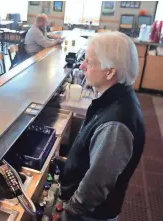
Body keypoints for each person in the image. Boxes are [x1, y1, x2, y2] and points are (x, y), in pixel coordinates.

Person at [59, 32, 145, 221]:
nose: (82, 66)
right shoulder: (114, 99)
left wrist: (69, 213)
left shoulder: (116, 123)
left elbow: (96, 184)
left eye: (89, 62)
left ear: (110, 71)